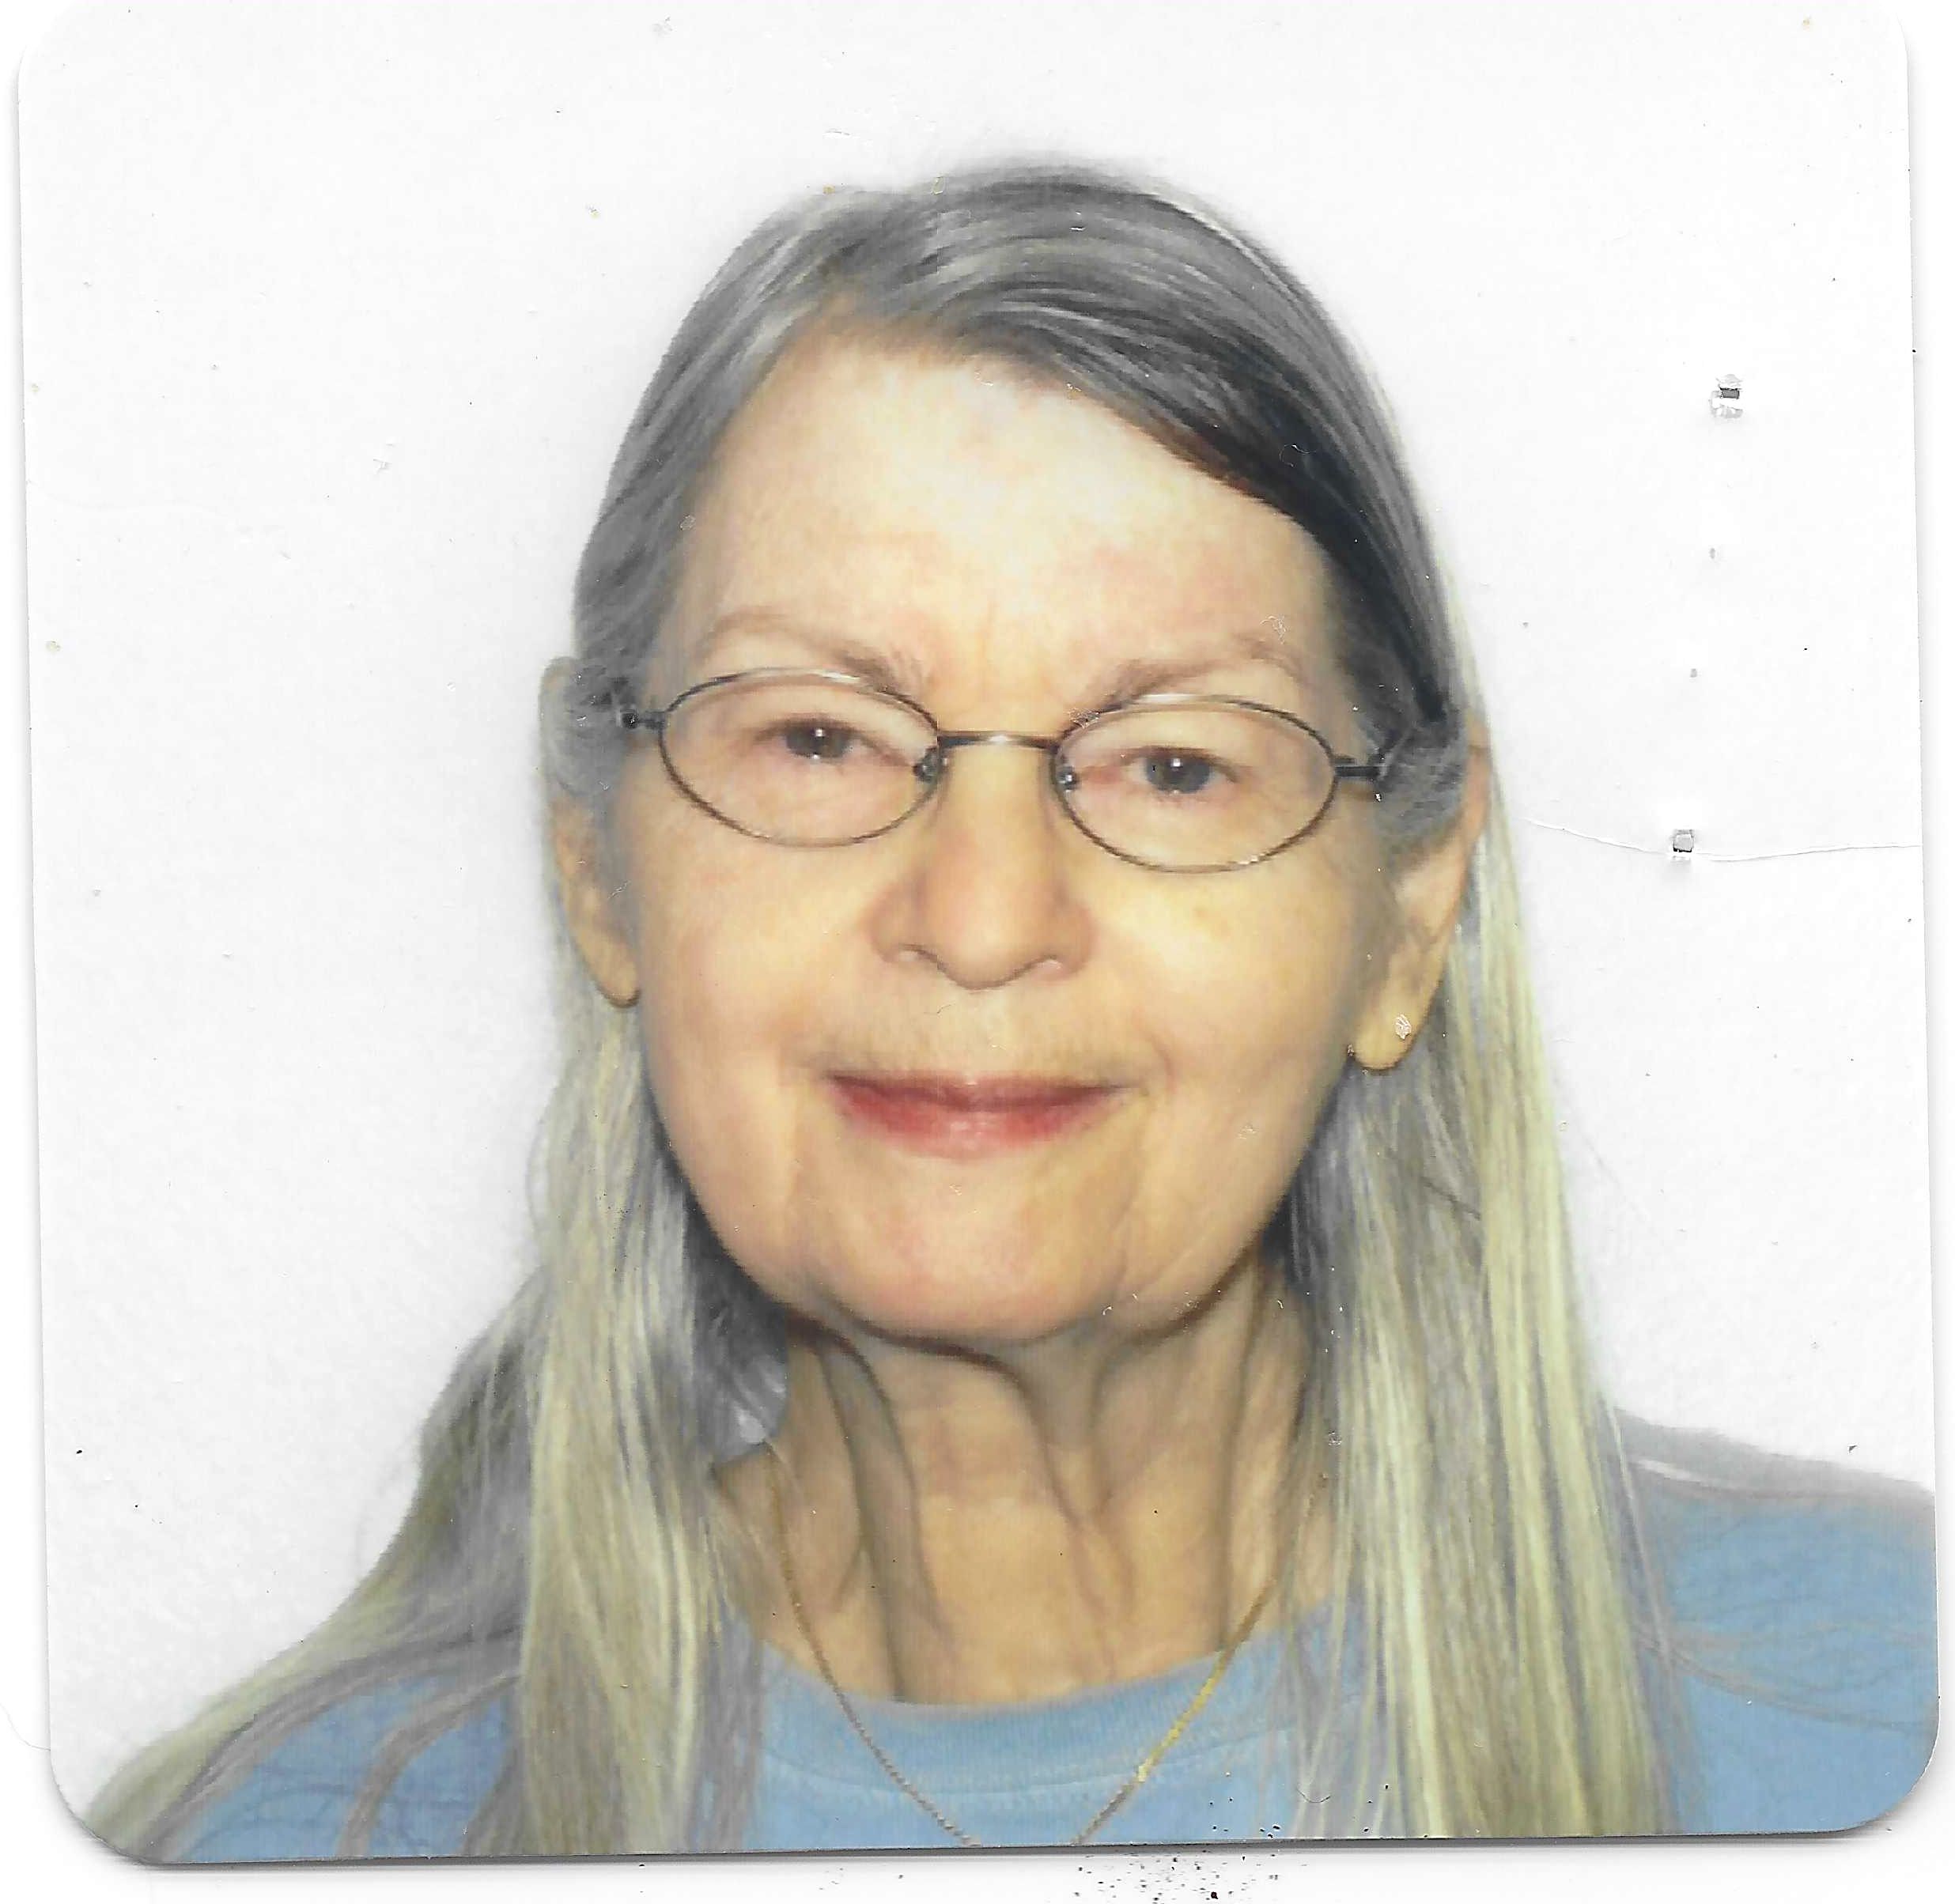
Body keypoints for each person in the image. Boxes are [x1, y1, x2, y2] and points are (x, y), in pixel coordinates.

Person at [89, 163, 1934, 1861]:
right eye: (820, 737)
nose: (980, 920)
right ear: (598, 864)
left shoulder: (1881, 1727)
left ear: (1408, 914)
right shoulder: (283, 1851)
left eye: (1174, 764)